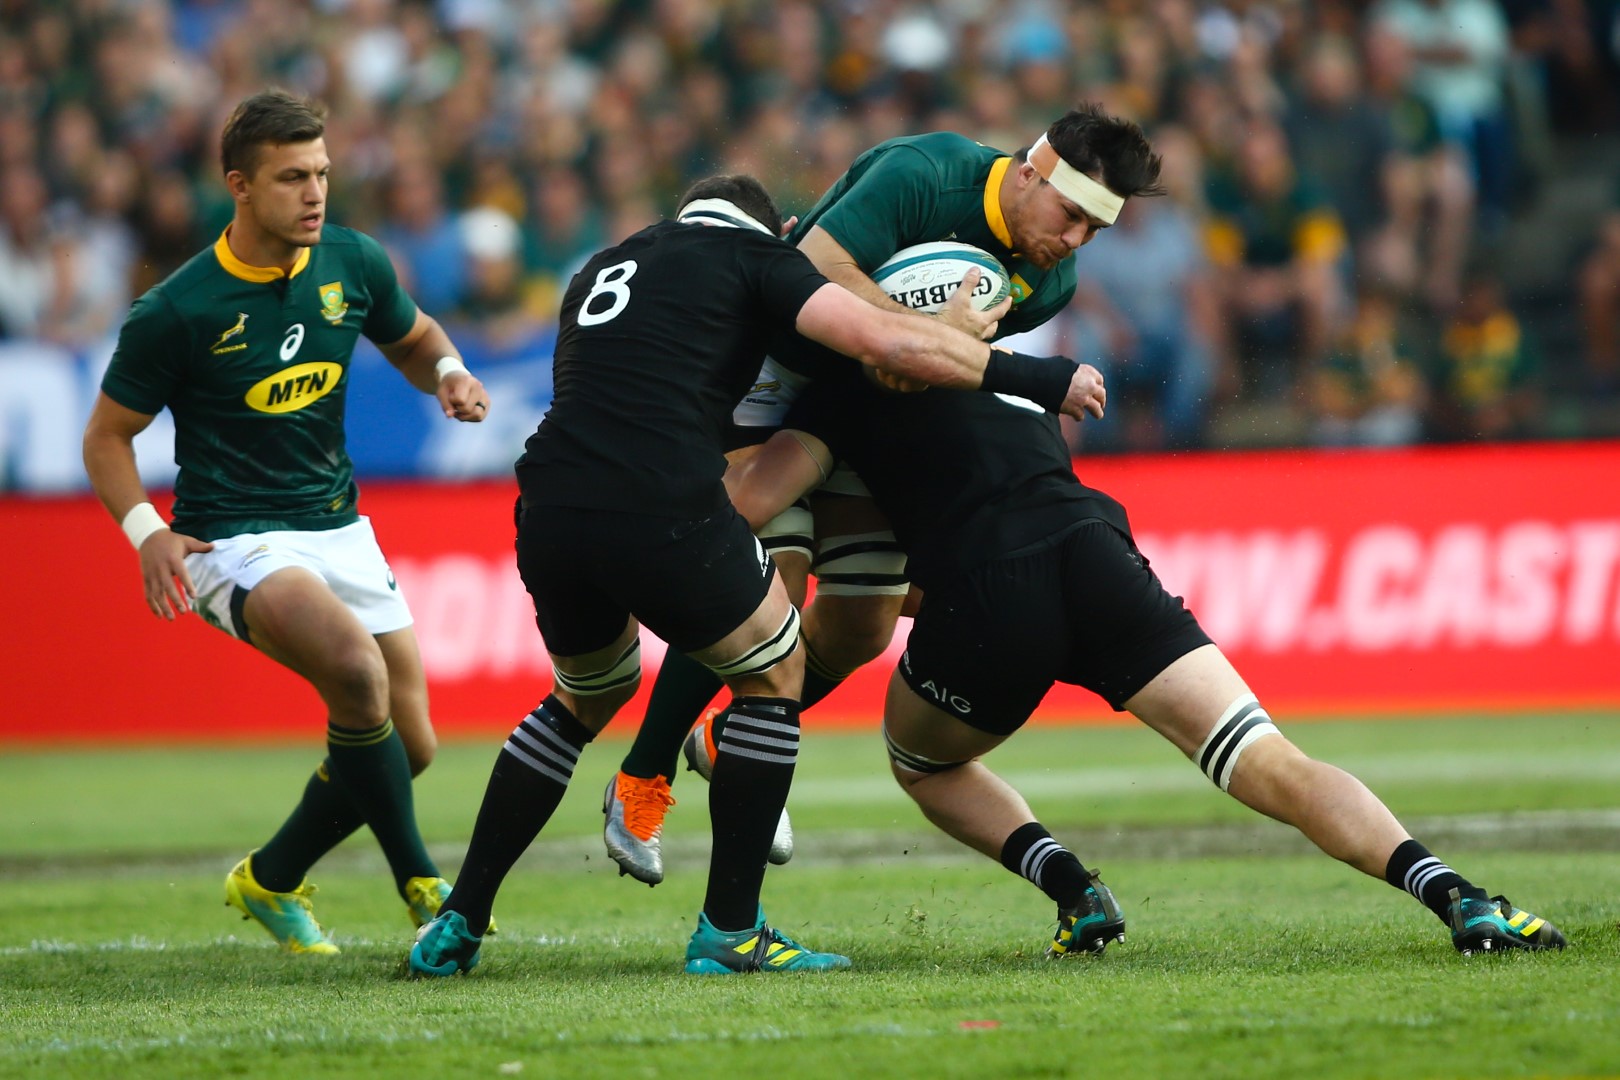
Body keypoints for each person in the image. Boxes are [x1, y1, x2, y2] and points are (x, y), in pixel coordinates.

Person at [406, 173, 1107, 977]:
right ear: (776, 230)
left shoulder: (602, 266)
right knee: (775, 672)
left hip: (549, 503)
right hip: (662, 500)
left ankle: (459, 921)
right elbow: (884, 342)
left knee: (584, 696)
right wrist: (1035, 377)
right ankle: (729, 931)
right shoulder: (758, 259)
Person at [722, 329, 1567, 960]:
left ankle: (1075, 889)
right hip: (1097, 552)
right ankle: (1460, 897)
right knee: (1267, 757)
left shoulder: (842, 382)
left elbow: (763, 508)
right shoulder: (999, 352)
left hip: (988, 588)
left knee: (923, 764)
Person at [600, 104, 1163, 885]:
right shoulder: (922, 173)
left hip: (859, 401)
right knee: (771, 586)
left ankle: (737, 739)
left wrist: (922, 358)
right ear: (1031, 173)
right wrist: (921, 336)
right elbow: (815, 270)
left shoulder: (1049, 282)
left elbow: (933, 367)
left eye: (1094, 231)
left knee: (863, 624)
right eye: (1071, 215)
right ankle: (643, 775)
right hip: (771, 371)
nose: (1074, 242)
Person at [81, 89, 492, 955]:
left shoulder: (353, 261)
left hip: (337, 525)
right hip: (233, 538)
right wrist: (148, 533)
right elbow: (107, 437)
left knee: (409, 746)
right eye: (292, 177)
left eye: (323, 174)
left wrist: (449, 371)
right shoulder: (178, 309)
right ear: (239, 186)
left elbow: (415, 338)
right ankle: (425, 886)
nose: (314, 194)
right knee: (355, 672)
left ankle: (269, 877)